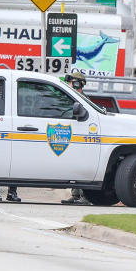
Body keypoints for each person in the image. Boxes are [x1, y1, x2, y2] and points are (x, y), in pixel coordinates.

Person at [62, 70, 91, 205]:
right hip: (73, 137)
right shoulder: (70, 98)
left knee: (84, 167)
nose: (70, 86)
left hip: (84, 139)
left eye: (73, 84)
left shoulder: (84, 100)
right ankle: (75, 195)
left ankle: (86, 196)